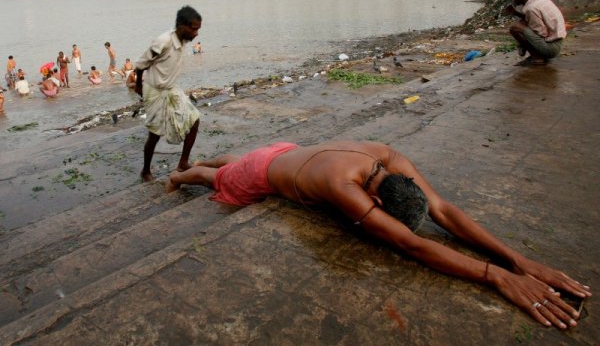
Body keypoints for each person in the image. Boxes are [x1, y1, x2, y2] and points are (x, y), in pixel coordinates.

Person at [167, 140, 592, 329]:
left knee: (242, 159)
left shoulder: (384, 157)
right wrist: (495, 276)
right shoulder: (343, 188)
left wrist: (516, 259)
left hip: (285, 150)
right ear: (382, 205)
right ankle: (180, 174)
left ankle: (218, 160)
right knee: (217, 177)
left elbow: (442, 210)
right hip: (264, 171)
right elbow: (412, 244)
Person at [135, 5, 202, 182]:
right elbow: (141, 64)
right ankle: (145, 171)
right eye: (193, 28)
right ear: (181, 26)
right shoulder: (163, 41)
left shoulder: (183, 41)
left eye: (198, 29)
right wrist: (138, 85)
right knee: (155, 133)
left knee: (194, 119)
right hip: (155, 90)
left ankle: (183, 162)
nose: (196, 33)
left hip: (171, 88)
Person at [505, 0, 566, 66]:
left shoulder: (531, 8)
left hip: (551, 48)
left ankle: (537, 57)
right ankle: (536, 54)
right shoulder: (541, 0)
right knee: (522, 23)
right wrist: (515, 13)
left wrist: (522, 44)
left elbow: (541, 33)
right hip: (557, 43)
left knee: (515, 28)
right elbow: (533, 18)